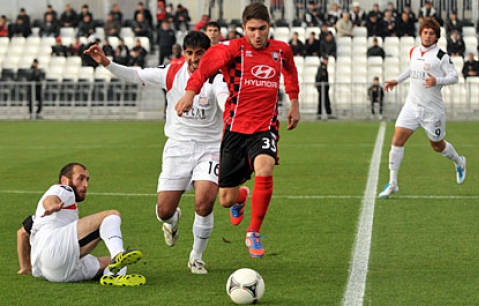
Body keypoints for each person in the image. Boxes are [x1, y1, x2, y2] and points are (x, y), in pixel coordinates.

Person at [84, 31, 228, 274]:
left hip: (210, 147)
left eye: (200, 54)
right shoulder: (172, 72)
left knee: (204, 203)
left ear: (208, 54)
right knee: (164, 211)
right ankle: (172, 222)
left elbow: (224, 100)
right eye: (190, 53)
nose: (194, 59)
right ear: (184, 53)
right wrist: (107, 63)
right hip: (178, 147)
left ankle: (197, 256)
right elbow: (134, 74)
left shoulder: (217, 77)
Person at [175, 2, 300, 259]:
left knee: (265, 166)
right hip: (234, 129)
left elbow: (290, 71)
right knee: (225, 200)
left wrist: (294, 102)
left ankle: (253, 232)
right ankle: (242, 196)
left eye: (262, 29)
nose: (257, 34)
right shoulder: (233, 50)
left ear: (269, 27)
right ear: (244, 28)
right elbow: (205, 68)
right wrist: (190, 93)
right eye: (252, 29)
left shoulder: (281, 50)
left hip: (265, 127)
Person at [378, 18, 466, 199]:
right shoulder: (414, 51)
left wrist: (437, 81)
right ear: (421, 34)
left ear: (436, 37)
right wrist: (397, 79)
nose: (427, 36)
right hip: (412, 105)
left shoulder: (441, 56)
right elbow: (412, 69)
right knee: (396, 140)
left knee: (437, 146)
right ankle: (393, 183)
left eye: (431, 33)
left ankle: (459, 161)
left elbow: (455, 77)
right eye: (425, 32)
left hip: (432, 110)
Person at [16, 163, 145, 286]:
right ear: (64, 180)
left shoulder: (41, 217)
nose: (85, 185)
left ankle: (113, 276)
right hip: (55, 248)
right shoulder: (63, 189)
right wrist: (52, 206)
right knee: (111, 215)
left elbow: (22, 233)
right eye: (80, 179)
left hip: (52, 272)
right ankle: (118, 254)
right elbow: (51, 198)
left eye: (87, 180)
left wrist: (25, 268)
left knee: (111, 263)